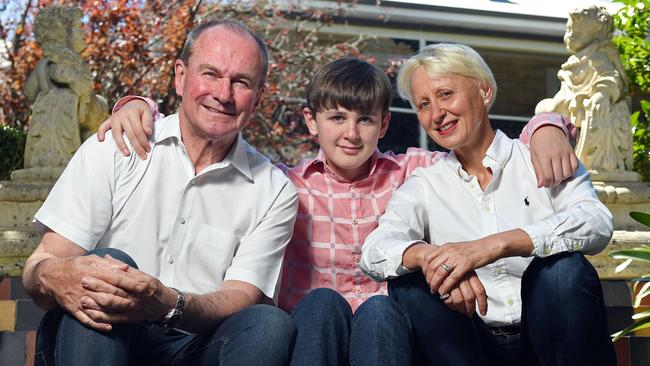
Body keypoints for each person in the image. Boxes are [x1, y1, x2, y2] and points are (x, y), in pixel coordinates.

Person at [100, 58, 576, 366]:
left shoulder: (415, 171)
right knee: (323, 303)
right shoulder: (280, 183)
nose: (351, 133)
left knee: (379, 310)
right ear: (312, 122)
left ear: (384, 124)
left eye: (365, 119)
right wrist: (134, 105)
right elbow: (218, 146)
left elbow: (480, 144)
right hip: (309, 337)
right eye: (337, 118)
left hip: (390, 338)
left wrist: (546, 125)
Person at [22, 19, 298, 366]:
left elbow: (240, 295)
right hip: (97, 335)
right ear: (180, 77)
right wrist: (55, 274)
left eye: (240, 82)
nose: (223, 94)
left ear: (257, 99)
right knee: (109, 265)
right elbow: (39, 265)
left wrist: (168, 303)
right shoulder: (114, 146)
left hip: (192, 348)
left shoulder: (275, 191)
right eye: (210, 73)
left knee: (269, 323)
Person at [361, 43, 615, 366]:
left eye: (446, 94)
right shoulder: (424, 185)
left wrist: (490, 247)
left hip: (551, 342)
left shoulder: (542, 155)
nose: (437, 114)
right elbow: (374, 251)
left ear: (484, 91)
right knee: (410, 281)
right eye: (424, 104)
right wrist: (437, 260)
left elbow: (596, 222)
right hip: (469, 348)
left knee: (562, 271)